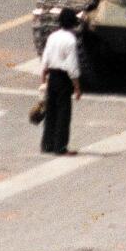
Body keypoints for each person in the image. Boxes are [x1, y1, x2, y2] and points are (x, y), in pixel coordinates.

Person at [40, 9, 82, 155]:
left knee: (51, 111)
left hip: (52, 76)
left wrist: (43, 78)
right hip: (64, 78)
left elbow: (45, 58)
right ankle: (60, 147)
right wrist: (77, 87)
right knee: (64, 113)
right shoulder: (70, 40)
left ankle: (47, 144)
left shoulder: (52, 36)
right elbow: (72, 66)